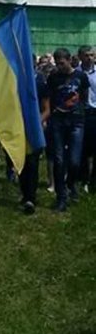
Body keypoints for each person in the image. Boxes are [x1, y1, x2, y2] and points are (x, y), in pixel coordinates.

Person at [47, 47, 89, 211]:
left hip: (76, 120)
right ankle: (61, 196)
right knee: (58, 160)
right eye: (57, 64)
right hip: (58, 120)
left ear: (70, 60)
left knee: (74, 161)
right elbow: (50, 97)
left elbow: (84, 95)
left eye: (62, 63)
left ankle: (71, 182)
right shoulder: (54, 77)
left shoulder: (80, 76)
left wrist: (79, 110)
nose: (60, 67)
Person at [18, 56, 50, 214]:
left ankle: (31, 197)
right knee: (20, 163)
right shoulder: (15, 80)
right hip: (18, 128)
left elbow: (46, 108)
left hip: (34, 128)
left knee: (33, 163)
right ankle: (24, 194)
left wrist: (37, 122)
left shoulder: (40, 82)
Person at [78, 44, 96, 193]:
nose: (90, 58)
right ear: (80, 57)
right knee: (84, 149)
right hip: (82, 113)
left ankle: (93, 181)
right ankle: (83, 179)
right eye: (87, 55)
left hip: (95, 112)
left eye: (92, 55)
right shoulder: (76, 73)